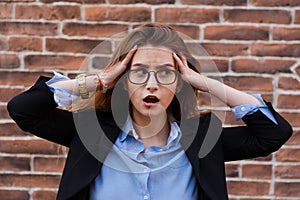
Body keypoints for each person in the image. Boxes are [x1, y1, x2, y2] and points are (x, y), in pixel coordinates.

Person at [7, 22, 292, 200]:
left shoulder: (204, 140)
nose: (152, 85)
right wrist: (100, 80)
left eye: (166, 74)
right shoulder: (90, 132)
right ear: (123, 81)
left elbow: (274, 132)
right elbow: (24, 110)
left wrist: (203, 83)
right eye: (139, 72)